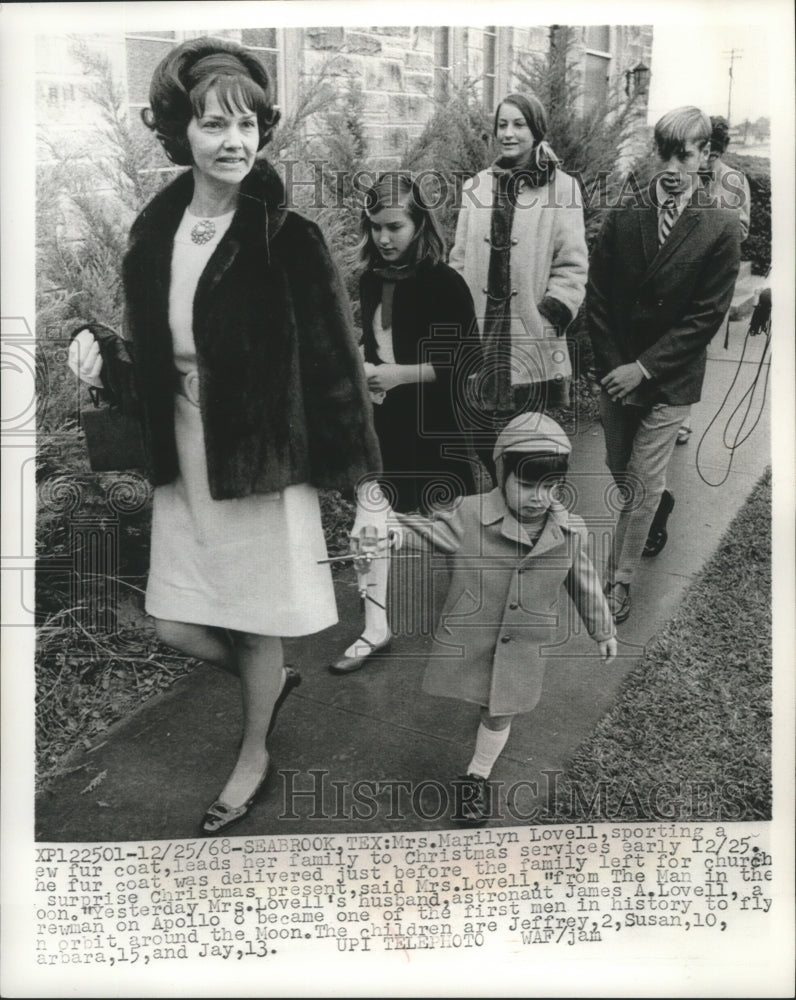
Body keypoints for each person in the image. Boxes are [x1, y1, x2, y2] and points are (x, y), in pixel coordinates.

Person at [68, 37, 381, 835]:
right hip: (187, 461)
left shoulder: (289, 237)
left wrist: (369, 489)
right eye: (214, 125)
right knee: (174, 619)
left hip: (261, 463)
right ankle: (265, 683)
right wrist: (101, 355)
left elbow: (337, 370)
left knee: (254, 619)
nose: (235, 140)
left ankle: (252, 753)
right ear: (183, 134)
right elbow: (158, 352)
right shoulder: (156, 230)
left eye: (248, 123)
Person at [391, 413, 616, 825]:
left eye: (550, 486)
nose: (538, 496)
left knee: (499, 710)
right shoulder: (468, 515)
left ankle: (476, 776)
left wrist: (602, 628)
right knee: (480, 694)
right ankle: (481, 741)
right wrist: (392, 533)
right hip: (474, 635)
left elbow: (583, 580)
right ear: (501, 474)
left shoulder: (568, 531)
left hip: (524, 643)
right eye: (527, 483)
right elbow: (427, 532)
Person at [587, 106, 741, 624]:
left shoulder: (719, 227)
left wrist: (645, 369)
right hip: (616, 372)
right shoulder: (623, 214)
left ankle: (618, 579)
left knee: (638, 481)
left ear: (705, 158)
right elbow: (599, 297)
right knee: (621, 470)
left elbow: (705, 317)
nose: (672, 166)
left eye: (686, 154)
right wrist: (615, 367)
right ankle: (660, 503)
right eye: (664, 153)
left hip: (670, 378)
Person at [330, 172, 480, 673]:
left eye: (394, 226)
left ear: (420, 224)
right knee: (369, 525)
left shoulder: (444, 282)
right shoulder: (372, 279)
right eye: (374, 228)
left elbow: (466, 360)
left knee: (455, 530)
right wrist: (367, 371)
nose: (383, 238)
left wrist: (396, 375)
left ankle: (483, 612)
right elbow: (376, 345)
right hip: (386, 424)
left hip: (437, 426)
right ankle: (376, 629)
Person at [449, 92, 588, 482]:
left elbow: (572, 265)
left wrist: (552, 315)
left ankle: (530, 524)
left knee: (527, 447)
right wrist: (455, 316)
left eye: (518, 124)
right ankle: (495, 521)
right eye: (502, 125)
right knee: (481, 443)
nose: (508, 134)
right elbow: (459, 258)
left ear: (537, 130)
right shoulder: (476, 186)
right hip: (478, 338)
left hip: (531, 338)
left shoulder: (562, 189)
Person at [676, 115, 752, 445]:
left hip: (708, 279)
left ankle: (682, 418)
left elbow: (743, 228)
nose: (707, 158)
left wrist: (711, 223)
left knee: (693, 346)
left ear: (719, 151)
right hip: (677, 273)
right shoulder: (683, 171)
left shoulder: (732, 180)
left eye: (713, 153)